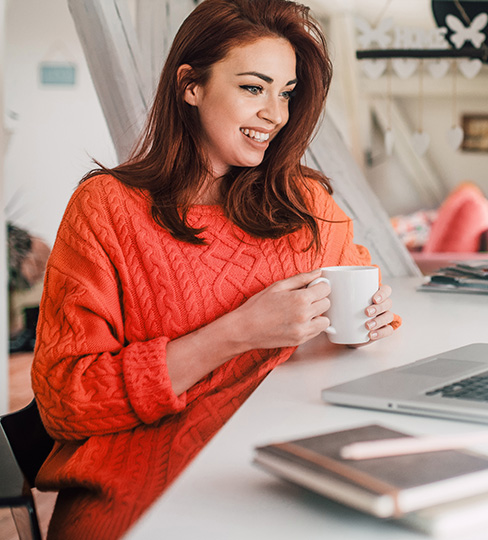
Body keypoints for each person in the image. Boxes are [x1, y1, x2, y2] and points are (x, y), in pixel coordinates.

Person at [31, 1, 399, 538]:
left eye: (287, 92)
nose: (276, 113)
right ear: (191, 86)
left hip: (282, 470)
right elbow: (64, 400)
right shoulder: (106, 208)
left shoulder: (305, 202)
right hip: (149, 492)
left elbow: (363, 295)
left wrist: (372, 318)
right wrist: (239, 331)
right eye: (254, 88)